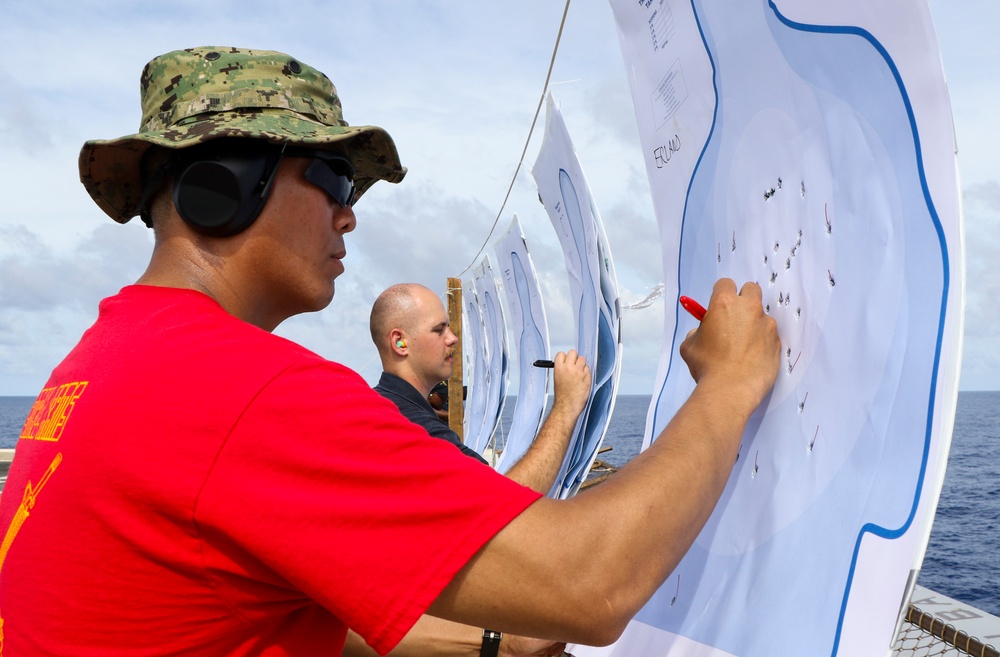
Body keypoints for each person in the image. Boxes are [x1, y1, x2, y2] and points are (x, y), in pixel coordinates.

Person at [0, 46, 780, 657]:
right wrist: (728, 382)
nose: (349, 219)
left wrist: (487, 640)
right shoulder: (245, 394)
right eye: (336, 179)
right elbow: (592, 584)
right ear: (227, 183)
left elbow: (264, 602)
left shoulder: (103, 358)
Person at [368, 282, 591, 491]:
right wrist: (566, 405)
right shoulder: (419, 431)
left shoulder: (376, 406)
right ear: (399, 342)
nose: (453, 338)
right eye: (439, 330)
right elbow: (507, 501)